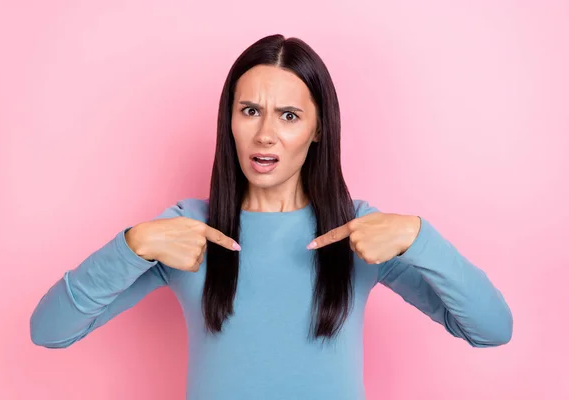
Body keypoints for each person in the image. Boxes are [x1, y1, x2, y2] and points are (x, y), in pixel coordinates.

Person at [30, 34, 513, 399]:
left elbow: (491, 330)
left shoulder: (361, 233)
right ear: (230, 121)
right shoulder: (186, 232)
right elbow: (49, 331)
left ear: (318, 128)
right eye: (249, 110)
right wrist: (132, 245)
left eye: (288, 115)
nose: (265, 134)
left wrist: (421, 239)